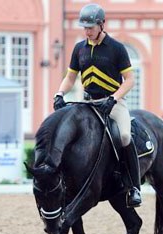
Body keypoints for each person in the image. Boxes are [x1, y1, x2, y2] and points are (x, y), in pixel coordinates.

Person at [53, 3, 141, 207]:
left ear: (102, 25)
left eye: (90, 27)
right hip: (88, 102)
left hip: (113, 102)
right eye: (84, 27)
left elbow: (129, 80)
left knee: (126, 136)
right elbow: (70, 77)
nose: (87, 31)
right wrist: (60, 93)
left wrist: (113, 99)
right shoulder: (79, 48)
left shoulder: (116, 48)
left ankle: (133, 187)